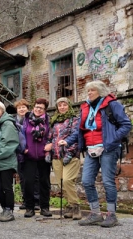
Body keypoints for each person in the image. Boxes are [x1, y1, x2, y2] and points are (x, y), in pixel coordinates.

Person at [60, 81, 131, 228]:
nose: (89, 93)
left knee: (107, 181)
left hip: (108, 149)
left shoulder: (112, 104)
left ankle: (111, 215)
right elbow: (79, 130)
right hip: (90, 149)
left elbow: (126, 125)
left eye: (92, 90)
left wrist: (111, 140)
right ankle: (95, 214)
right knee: (86, 181)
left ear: (100, 91)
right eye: (88, 91)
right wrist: (67, 141)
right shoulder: (85, 107)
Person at [46, 97, 81, 220]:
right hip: (56, 156)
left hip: (70, 156)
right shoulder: (54, 121)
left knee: (67, 180)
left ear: (69, 106)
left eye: (64, 105)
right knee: (61, 183)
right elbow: (50, 138)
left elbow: (76, 136)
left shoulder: (75, 120)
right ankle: (70, 206)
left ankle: (76, 206)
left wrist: (70, 152)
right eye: (59, 105)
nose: (62, 107)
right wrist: (48, 153)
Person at [20, 98, 52, 218]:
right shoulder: (26, 120)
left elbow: (52, 135)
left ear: (45, 110)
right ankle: (29, 207)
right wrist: (23, 148)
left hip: (44, 156)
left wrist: (50, 145)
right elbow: (20, 135)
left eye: (41, 108)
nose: (38, 109)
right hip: (29, 155)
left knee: (44, 182)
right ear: (33, 107)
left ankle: (44, 207)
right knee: (28, 182)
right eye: (37, 107)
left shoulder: (48, 120)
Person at [0, 101, 19, 222]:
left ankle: (9, 211)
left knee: (7, 187)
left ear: (2, 111)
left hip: (6, 161)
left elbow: (10, 142)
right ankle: (4, 208)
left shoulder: (7, 123)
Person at [13, 99, 40, 210]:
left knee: (35, 177)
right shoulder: (14, 122)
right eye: (19, 108)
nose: (21, 109)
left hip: (32, 152)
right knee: (23, 178)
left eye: (23, 107)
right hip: (20, 154)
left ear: (28, 109)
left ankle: (37, 201)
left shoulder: (33, 119)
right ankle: (26, 200)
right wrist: (20, 149)